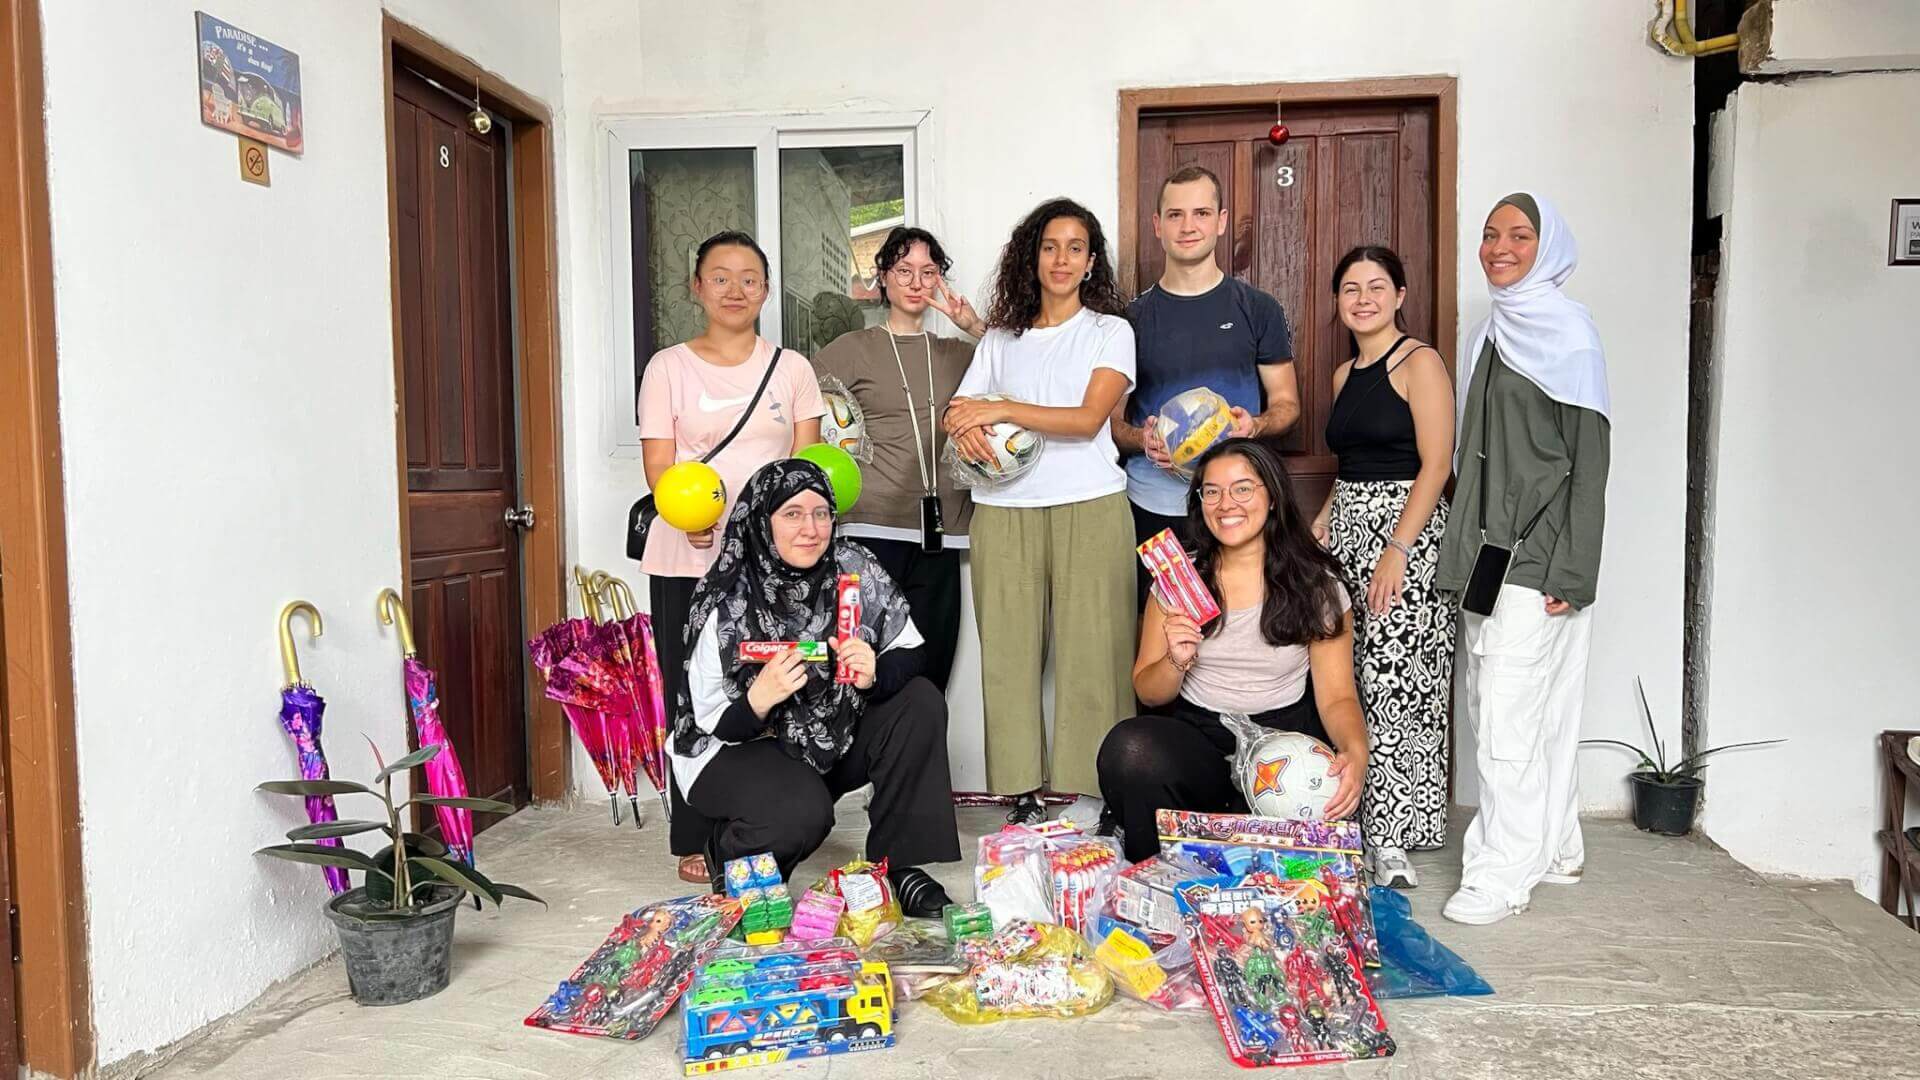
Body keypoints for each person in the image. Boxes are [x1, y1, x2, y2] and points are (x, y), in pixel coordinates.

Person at [669, 459, 960, 917]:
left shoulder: (851, 565)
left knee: (919, 702)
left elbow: (911, 648)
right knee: (803, 813)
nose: (811, 528)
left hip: (828, 731)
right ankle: (730, 852)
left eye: (821, 512)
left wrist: (875, 672)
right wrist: (757, 700)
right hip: (737, 747)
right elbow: (710, 723)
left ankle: (899, 866)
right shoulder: (727, 593)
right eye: (792, 514)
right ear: (762, 522)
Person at [1437, 192, 1610, 926]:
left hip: (1537, 556)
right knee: (1531, 708)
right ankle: (1557, 845)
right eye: (1489, 235)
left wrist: (1572, 570)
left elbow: (1590, 461)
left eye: (1518, 235)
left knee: (1507, 716)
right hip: (1490, 551)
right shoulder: (1494, 331)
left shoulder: (1568, 336)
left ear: (1550, 247)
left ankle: (1501, 875)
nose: (1498, 247)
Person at [635, 230, 825, 883]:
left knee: (766, 688)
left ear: (767, 290)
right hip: (684, 554)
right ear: (696, 287)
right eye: (720, 277)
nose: (736, 289)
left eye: (749, 278)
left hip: (767, 568)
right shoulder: (667, 367)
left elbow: (805, 469)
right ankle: (693, 831)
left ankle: (766, 813)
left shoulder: (792, 369)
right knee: (689, 692)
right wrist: (688, 515)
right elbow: (660, 465)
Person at [944, 197, 1136, 829]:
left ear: (1090, 263)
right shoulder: (1001, 339)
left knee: (1095, 653)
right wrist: (962, 422)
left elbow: (1085, 422)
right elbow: (958, 411)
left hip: (1091, 505)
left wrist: (998, 409)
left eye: (1075, 248)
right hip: (1002, 509)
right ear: (1032, 256)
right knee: (1008, 655)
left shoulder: (1111, 331)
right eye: (1050, 246)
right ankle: (1021, 792)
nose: (1061, 258)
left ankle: (1095, 789)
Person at [1095, 438, 1369, 863]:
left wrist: (1355, 751)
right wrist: (1175, 659)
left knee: (1296, 867)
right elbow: (1149, 692)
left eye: (1243, 488)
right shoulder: (1178, 579)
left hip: (1282, 746)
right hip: (1200, 741)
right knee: (1129, 748)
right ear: (1200, 501)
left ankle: (1239, 838)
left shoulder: (1317, 584)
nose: (1227, 504)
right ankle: (1154, 876)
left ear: (1273, 497)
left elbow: (1337, 696)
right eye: (1212, 491)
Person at [1312, 245, 1458, 889]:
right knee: (1352, 676)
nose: (1363, 298)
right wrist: (1323, 516)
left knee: (1400, 681)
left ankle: (1393, 837)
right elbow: (1353, 464)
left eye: (1376, 286)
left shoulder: (1418, 362)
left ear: (1400, 294)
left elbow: (1437, 464)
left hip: (1406, 533)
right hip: (1348, 529)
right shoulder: (1344, 374)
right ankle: (1359, 816)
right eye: (1350, 287)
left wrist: (1398, 548)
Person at [1112, 164, 1300, 602]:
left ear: (1221, 221)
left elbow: (1288, 405)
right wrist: (1143, 439)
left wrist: (1253, 426)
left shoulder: (1259, 308)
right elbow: (1109, 424)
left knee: (1242, 630)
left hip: (1238, 509)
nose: (1188, 226)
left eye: (1200, 212)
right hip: (1156, 511)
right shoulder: (1131, 321)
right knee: (1165, 636)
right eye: (1175, 215)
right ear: (1157, 225)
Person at [813, 227, 985, 691]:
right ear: (882, 279)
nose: (915, 282)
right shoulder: (851, 349)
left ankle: (919, 761)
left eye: (928, 272)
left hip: (942, 536)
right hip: (870, 530)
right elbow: (801, 413)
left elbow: (1023, 371)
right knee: (862, 673)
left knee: (931, 672)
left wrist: (971, 324)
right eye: (903, 271)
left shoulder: (959, 353)